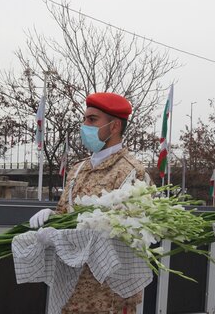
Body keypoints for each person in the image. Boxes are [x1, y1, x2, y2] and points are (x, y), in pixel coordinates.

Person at [29, 92, 150, 314]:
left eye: (92, 120)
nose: (84, 125)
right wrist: (53, 219)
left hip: (108, 297)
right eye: (85, 119)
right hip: (71, 290)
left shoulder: (132, 171)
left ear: (114, 127)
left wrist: (73, 233)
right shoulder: (78, 169)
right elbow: (66, 214)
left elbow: (127, 234)